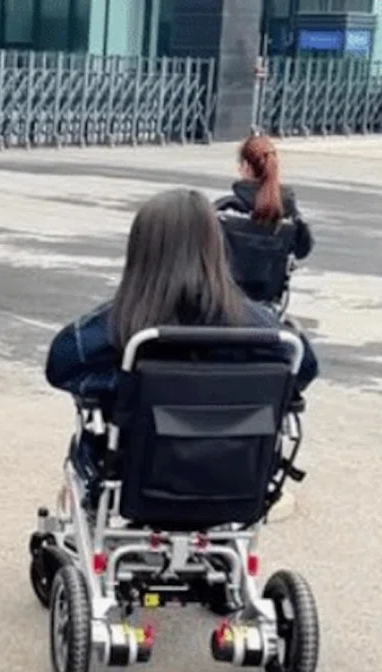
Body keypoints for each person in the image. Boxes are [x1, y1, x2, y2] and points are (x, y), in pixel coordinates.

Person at [45, 189, 318, 486]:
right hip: (234, 473)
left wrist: (121, 384)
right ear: (216, 248)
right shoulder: (257, 325)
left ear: (141, 251)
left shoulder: (121, 321)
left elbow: (60, 364)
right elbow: (303, 368)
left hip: (132, 470)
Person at [213, 134, 313, 303]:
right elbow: (303, 250)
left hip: (227, 300)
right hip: (269, 300)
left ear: (245, 167)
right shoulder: (289, 213)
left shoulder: (225, 209)